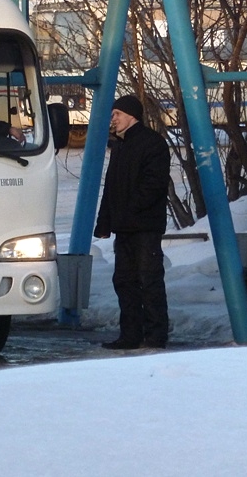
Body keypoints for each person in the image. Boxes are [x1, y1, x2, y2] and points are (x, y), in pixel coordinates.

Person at [94, 94, 172, 350]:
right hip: (126, 226)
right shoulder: (121, 146)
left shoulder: (152, 144)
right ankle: (131, 335)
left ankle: (155, 335)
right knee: (125, 281)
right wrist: (105, 222)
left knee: (149, 280)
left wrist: (126, 211)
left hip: (145, 227)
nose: (113, 119)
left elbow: (154, 185)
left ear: (131, 116)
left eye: (117, 114)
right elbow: (111, 189)